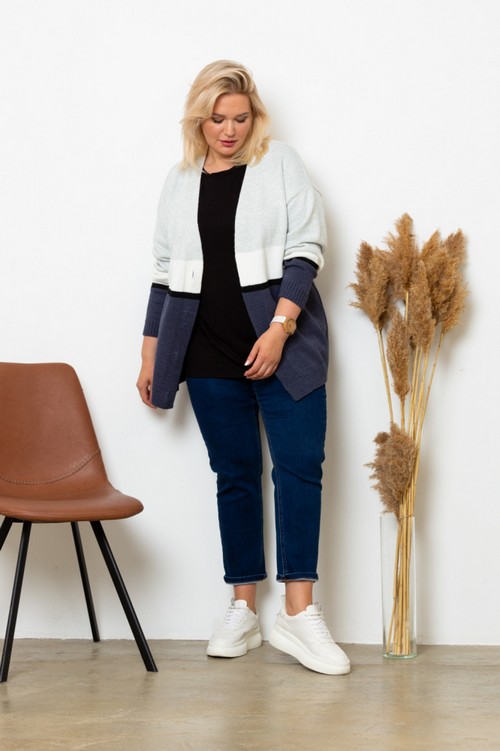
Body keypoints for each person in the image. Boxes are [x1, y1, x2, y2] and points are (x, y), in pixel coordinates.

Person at [137, 60, 350, 676]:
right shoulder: (180, 180)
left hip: (282, 343)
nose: (229, 130)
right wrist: (150, 352)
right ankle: (243, 608)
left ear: (254, 116)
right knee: (234, 475)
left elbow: (306, 250)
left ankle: (299, 613)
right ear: (198, 121)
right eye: (217, 119)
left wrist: (280, 329)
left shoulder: (279, 163)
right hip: (206, 350)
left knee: (299, 469)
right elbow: (163, 272)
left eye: (240, 117)